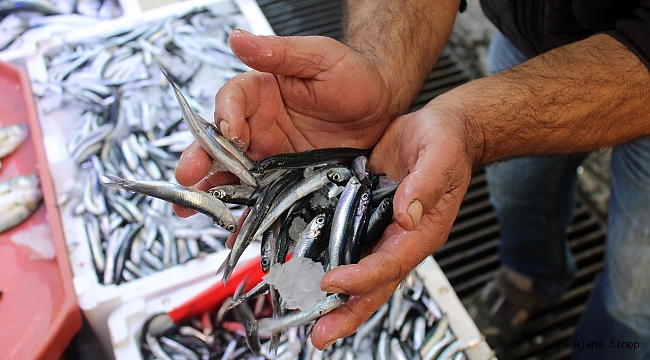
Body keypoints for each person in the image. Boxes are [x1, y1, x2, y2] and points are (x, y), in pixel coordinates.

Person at [174, 1, 650, 358]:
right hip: (528, 34)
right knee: (516, 190)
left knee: (635, 289)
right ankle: (531, 275)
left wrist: (475, 126)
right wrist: (380, 65)